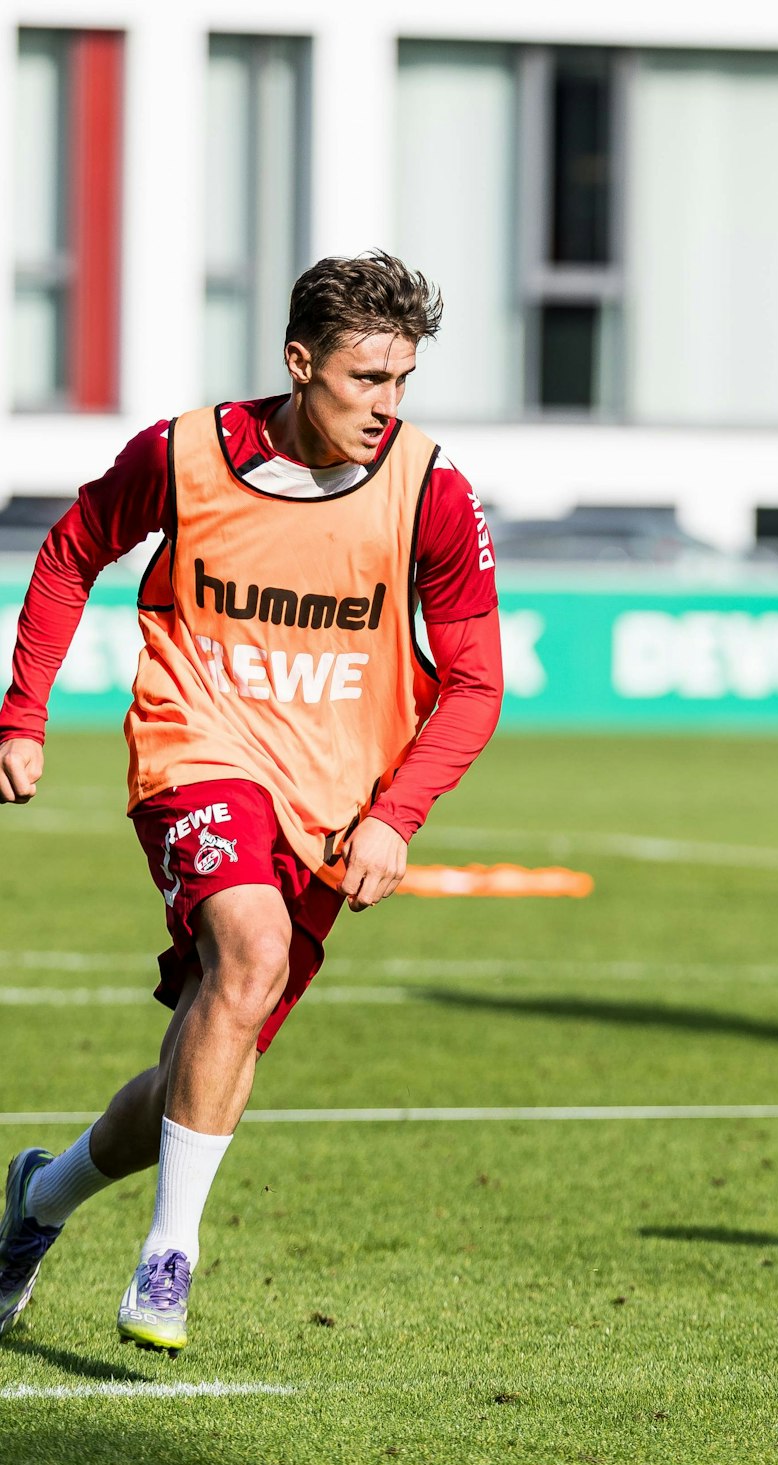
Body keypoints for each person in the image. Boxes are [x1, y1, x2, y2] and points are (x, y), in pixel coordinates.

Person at [0, 252, 503, 1356]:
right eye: (365, 378)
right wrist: (23, 716)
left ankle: (39, 1200)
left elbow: (474, 682)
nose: (387, 404)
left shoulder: (430, 489)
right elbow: (72, 549)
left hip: (333, 802)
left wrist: (396, 814)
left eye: (403, 380)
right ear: (298, 362)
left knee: (210, 1043)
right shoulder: (181, 456)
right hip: (198, 751)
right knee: (251, 947)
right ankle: (169, 1259)